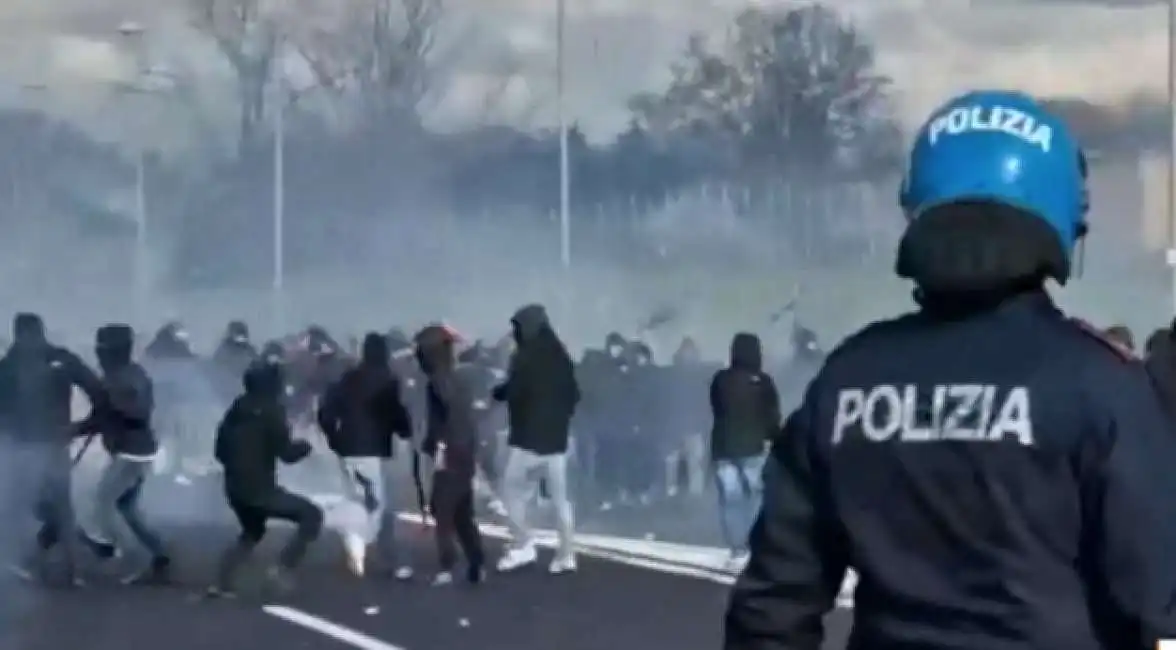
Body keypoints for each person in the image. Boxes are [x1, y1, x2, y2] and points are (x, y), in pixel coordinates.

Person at [724, 90, 1176, 650]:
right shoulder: (1102, 385)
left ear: (918, 210)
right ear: (1061, 222)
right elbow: (1158, 607)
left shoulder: (848, 378)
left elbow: (772, 609)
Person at [0, 312, 106, 587]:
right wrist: (87, 424)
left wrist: (86, 425)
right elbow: (98, 390)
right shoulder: (56, 359)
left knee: (21, 505)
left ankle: (23, 563)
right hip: (48, 442)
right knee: (56, 507)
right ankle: (73, 568)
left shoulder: (10, 365)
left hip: (30, 445)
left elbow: (98, 392)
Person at [208, 361, 322, 597]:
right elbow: (287, 454)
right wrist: (308, 446)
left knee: (253, 530)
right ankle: (282, 569)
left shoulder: (236, 409)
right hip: (259, 489)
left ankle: (222, 582)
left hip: (234, 489)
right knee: (312, 514)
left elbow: (219, 452)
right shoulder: (273, 411)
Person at [78, 324, 172, 585]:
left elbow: (140, 412)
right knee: (127, 508)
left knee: (103, 504)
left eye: (101, 350)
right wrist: (74, 430)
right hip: (132, 451)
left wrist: (112, 402)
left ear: (114, 352)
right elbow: (99, 419)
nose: (98, 355)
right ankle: (159, 552)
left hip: (133, 453)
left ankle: (133, 558)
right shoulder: (120, 376)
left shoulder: (129, 377)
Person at [317, 332, 414, 579]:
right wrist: (405, 430)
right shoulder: (387, 380)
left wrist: (334, 439)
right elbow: (394, 412)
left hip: (347, 450)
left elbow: (326, 412)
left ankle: (369, 549)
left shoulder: (347, 379)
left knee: (357, 499)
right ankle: (360, 542)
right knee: (377, 505)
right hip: (371, 451)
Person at [493, 304, 580, 574]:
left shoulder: (524, 357)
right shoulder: (561, 356)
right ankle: (566, 554)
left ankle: (523, 543)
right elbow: (574, 395)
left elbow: (513, 391)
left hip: (528, 441)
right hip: (556, 441)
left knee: (511, 493)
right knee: (560, 500)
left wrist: (498, 392)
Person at [414, 324, 485, 585]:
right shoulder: (455, 377)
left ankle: (448, 565)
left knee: (442, 508)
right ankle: (476, 561)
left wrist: (437, 444)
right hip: (463, 450)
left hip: (451, 451)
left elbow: (448, 417)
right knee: (462, 510)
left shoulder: (439, 381)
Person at [708, 332, 780, 568]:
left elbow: (716, 406)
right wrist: (773, 437)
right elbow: (772, 415)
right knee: (757, 497)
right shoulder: (763, 381)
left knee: (730, 500)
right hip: (753, 447)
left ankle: (737, 550)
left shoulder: (721, 379)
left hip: (723, 448)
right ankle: (756, 544)